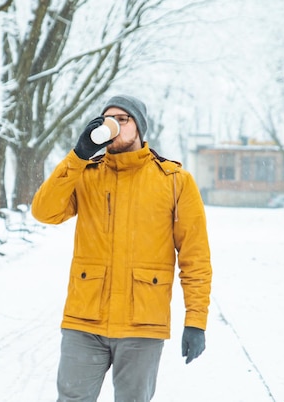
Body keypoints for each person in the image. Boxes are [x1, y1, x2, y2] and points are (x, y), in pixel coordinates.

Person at [31, 94, 212, 402]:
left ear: (139, 127)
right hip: (84, 320)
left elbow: (195, 257)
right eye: (106, 119)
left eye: (121, 118)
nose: (111, 124)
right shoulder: (86, 173)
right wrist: (78, 156)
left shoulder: (175, 180)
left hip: (142, 324)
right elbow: (44, 211)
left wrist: (196, 321)